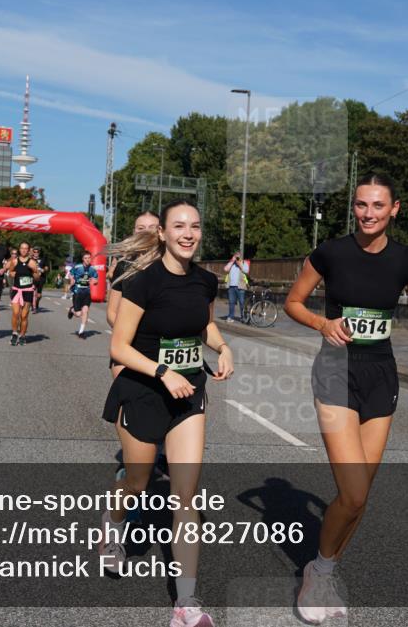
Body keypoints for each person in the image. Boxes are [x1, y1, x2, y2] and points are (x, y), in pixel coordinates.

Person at [283, 174, 408, 624]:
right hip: (336, 372)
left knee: (359, 496)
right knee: (353, 492)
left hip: (381, 376)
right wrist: (322, 325)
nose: (368, 214)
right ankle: (317, 573)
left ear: (395, 209)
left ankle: (325, 569)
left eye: (378, 206)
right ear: (353, 208)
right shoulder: (331, 253)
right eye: (361, 205)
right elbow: (293, 302)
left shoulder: (407, 262)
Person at [99, 200, 233, 627]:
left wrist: (223, 346)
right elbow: (118, 346)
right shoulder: (143, 282)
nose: (188, 233)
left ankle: (187, 604)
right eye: (179, 226)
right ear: (163, 233)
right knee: (137, 482)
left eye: (195, 225)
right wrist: (161, 370)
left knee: (186, 496)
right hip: (143, 392)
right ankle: (112, 521)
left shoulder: (206, 282)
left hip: (188, 396)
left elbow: (203, 325)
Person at [107, 211, 160, 375]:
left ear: (162, 231)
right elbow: (111, 311)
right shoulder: (124, 267)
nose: (146, 231)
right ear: (134, 232)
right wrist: (129, 334)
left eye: (152, 227)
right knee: (126, 398)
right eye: (141, 228)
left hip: (163, 350)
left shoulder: (173, 266)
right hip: (129, 346)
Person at [7, 241, 39, 346]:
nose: (24, 250)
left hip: (28, 291)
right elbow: (10, 273)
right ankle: (14, 333)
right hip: (17, 290)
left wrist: (34, 271)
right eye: (22, 248)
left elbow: (37, 278)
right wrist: (14, 273)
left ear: (28, 250)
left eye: (26, 248)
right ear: (19, 249)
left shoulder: (32, 262)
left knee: (24, 316)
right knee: (16, 313)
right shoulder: (15, 261)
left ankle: (22, 335)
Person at [66, 251, 98, 338]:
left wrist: (94, 281)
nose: (88, 260)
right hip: (77, 293)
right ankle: (72, 310)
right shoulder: (77, 267)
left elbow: (96, 279)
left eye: (89, 258)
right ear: (82, 259)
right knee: (79, 314)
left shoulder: (93, 269)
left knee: (86, 311)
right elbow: (70, 274)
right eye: (86, 258)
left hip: (86, 293)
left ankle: (81, 332)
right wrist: (72, 279)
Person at [223, 251, 250, 323]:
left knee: (242, 303)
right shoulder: (231, 263)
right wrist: (232, 260)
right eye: (236, 256)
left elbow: (246, 271)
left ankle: (243, 317)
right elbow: (225, 269)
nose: (237, 257)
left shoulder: (244, 263)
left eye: (238, 256)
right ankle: (230, 317)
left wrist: (239, 263)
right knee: (231, 303)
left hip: (240, 286)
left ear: (241, 256)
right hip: (231, 286)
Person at [31, 246, 50, 313]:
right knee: (33, 293)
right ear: (32, 252)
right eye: (34, 251)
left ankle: (36, 303)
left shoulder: (43, 258)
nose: (36, 253)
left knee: (39, 295)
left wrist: (43, 270)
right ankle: (34, 307)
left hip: (41, 278)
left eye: (37, 252)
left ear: (39, 252)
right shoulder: (30, 259)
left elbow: (47, 267)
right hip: (32, 278)